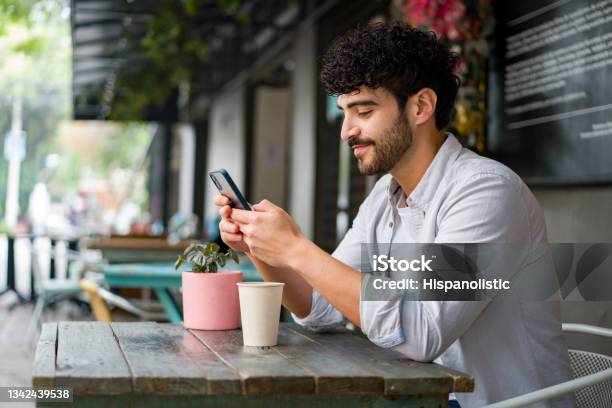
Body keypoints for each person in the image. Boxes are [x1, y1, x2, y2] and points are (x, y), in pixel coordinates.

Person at [214, 23, 573, 407]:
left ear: (420, 107)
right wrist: (261, 245)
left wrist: (297, 249)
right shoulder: (384, 197)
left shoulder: (485, 192)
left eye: (363, 111)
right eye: (344, 113)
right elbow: (318, 308)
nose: (346, 131)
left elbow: (419, 334)